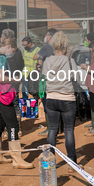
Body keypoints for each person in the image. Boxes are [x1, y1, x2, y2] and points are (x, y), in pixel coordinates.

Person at [0, 38, 33, 168]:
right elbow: (1, 78)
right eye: (13, 50)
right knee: (13, 125)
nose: (12, 53)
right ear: (8, 47)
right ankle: (17, 159)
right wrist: (15, 80)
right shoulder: (1, 58)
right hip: (3, 97)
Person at [41, 31, 76, 171]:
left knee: (52, 130)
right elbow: (76, 78)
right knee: (68, 130)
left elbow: (44, 77)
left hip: (51, 98)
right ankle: (72, 163)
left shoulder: (47, 61)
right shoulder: (69, 61)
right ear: (65, 47)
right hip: (67, 98)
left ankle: (50, 161)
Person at [36, 28, 57, 136]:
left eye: (47, 35)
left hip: (46, 78)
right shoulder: (59, 47)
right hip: (56, 78)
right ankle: (58, 128)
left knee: (46, 103)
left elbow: (36, 56)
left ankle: (50, 129)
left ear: (49, 36)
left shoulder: (46, 46)